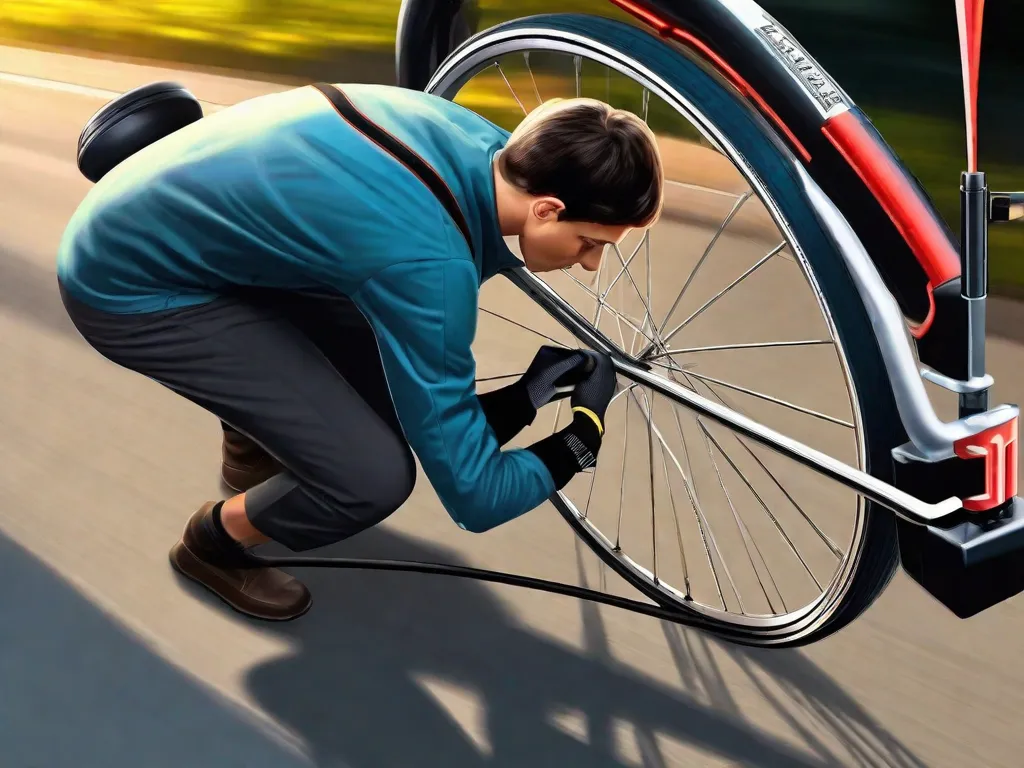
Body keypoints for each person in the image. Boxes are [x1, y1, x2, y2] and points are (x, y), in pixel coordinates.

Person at [56, 82, 665, 621]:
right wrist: (582, 436)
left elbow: (430, 416)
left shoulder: (479, 141)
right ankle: (213, 544)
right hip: (129, 285)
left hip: (204, 234)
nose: (590, 264)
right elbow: (476, 499)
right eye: (590, 241)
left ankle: (253, 439)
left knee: (385, 406)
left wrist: (526, 397)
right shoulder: (427, 264)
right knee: (371, 477)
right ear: (548, 208)